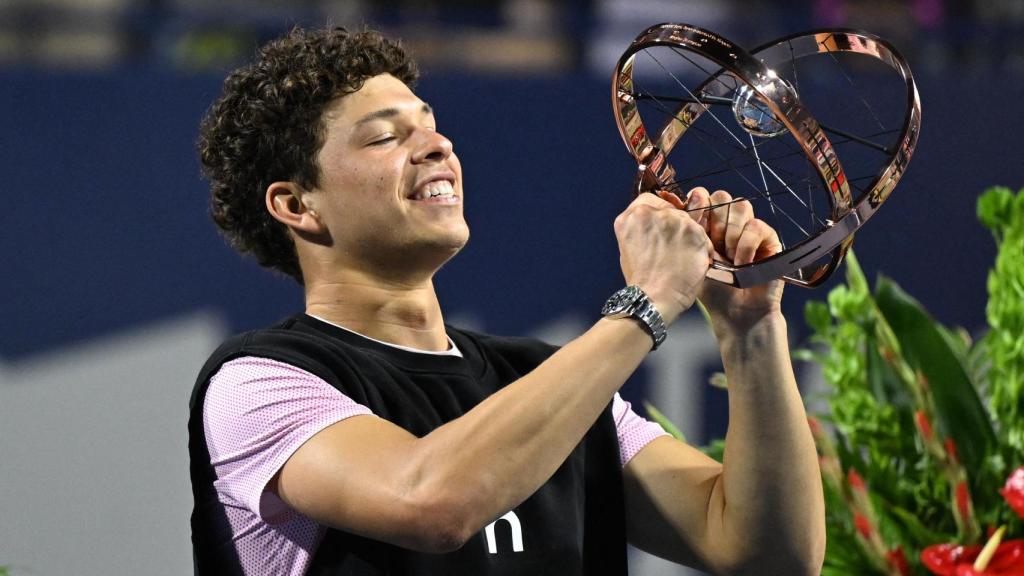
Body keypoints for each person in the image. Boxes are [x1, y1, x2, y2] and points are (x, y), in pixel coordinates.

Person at [188, 26, 825, 576]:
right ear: (296, 205)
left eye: (432, 127)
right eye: (385, 138)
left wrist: (750, 330)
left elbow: (768, 555)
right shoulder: (259, 384)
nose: (438, 147)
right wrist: (647, 303)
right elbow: (431, 503)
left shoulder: (551, 384)